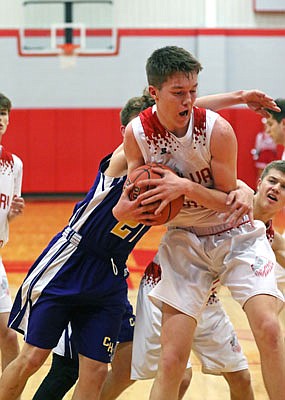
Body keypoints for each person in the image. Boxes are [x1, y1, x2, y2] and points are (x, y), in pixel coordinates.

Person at [29, 87, 278, 400]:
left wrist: (241, 186)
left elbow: (187, 116)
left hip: (142, 277)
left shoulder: (170, 164)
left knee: (231, 377)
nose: (154, 137)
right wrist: (238, 98)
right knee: (71, 365)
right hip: (99, 264)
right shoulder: (127, 162)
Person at [113, 46, 285, 400]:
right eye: (178, 92)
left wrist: (184, 186)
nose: (189, 100)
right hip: (184, 240)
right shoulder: (137, 134)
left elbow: (230, 203)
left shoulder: (217, 130)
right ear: (153, 93)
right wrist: (129, 209)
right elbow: (133, 201)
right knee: (172, 359)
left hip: (234, 232)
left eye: (193, 91)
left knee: (268, 329)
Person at [0, 93, 24, 374]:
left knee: (8, 335)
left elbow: (8, 212)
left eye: (4, 113)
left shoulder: (14, 164)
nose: (1, 118)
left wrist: (14, 214)